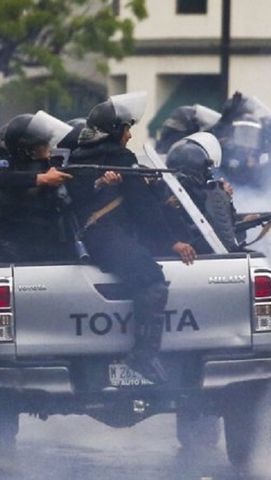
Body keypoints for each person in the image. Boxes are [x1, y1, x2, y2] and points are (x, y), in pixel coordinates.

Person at [67, 92, 196, 384]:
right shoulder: (118, 158)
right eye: (126, 128)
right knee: (151, 279)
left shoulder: (78, 157)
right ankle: (144, 355)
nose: (128, 135)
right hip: (104, 234)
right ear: (114, 131)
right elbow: (142, 207)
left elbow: (76, 196)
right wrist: (171, 242)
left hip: (97, 235)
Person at [0, 112, 74, 264]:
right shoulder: (5, 163)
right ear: (27, 148)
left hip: (47, 244)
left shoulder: (48, 164)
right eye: (43, 145)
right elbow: (2, 178)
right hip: (12, 244)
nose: (49, 148)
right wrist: (42, 179)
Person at [163, 132, 242, 253]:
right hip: (198, 250)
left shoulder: (163, 187)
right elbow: (226, 232)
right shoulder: (199, 194)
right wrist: (222, 196)